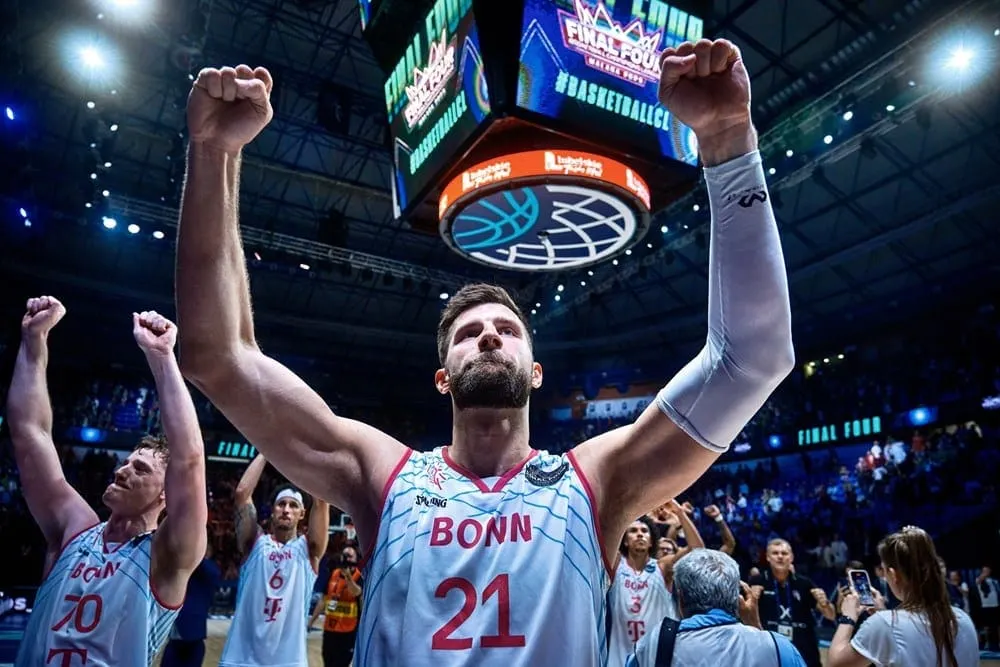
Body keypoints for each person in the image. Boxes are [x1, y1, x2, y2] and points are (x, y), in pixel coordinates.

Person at [175, 37, 795, 666]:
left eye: (508, 329)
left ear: (536, 373)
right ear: (443, 378)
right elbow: (217, 356)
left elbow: (753, 358)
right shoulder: (382, 475)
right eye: (469, 334)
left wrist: (728, 139)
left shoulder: (596, 481)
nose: (491, 335)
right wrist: (213, 152)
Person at [7, 298, 207, 666]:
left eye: (140, 469)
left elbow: (190, 458)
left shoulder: (168, 554)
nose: (121, 470)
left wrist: (162, 358)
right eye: (125, 462)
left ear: (166, 494)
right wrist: (34, 340)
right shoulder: (74, 528)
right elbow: (29, 433)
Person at [218, 454, 329, 667]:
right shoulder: (254, 542)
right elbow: (242, 494)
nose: (286, 510)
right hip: (240, 659)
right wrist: (267, 450)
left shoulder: (308, 550)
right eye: (281, 504)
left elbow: (322, 500)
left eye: (293, 506)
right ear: (272, 511)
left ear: (302, 514)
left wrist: (311, 454)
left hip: (288, 662)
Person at [826, 526, 979, 667]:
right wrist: (882, 613)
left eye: (885, 570)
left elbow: (835, 664)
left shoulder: (883, 624)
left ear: (893, 575)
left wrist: (848, 617)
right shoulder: (963, 619)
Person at [626, 549, 805, 666]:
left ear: (680, 598)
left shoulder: (652, 645)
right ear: (737, 597)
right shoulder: (779, 647)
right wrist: (755, 626)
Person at [608, 504, 703, 667]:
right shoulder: (615, 565)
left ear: (652, 541)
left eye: (644, 531)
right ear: (625, 541)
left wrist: (680, 513)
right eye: (633, 531)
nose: (639, 534)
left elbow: (697, 550)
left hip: (656, 658)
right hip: (619, 659)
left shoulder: (663, 567)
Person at [749, 539, 836, 667]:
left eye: (784, 553)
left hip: (803, 653)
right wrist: (751, 600)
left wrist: (825, 603)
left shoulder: (804, 583)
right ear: (767, 557)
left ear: (791, 557)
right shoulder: (757, 582)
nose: (780, 556)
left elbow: (831, 615)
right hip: (769, 654)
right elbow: (743, 617)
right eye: (775, 553)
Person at [161, 540, 223, 667]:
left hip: (192, 636)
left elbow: (213, 573)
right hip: (179, 635)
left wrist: (195, 553)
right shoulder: (186, 571)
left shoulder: (208, 571)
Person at [310, 545, 363, 667]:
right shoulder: (333, 574)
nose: (346, 559)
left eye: (349, 556)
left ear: (356, 558)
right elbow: (323, 600)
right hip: (330, 629)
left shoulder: (358, 576)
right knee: (327, 662)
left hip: (348, 632)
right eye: (344, 556)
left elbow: (357, 592)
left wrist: (348, 576)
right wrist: (312, 621)